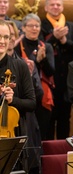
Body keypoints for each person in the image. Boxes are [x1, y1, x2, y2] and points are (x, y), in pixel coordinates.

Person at [0, 20, 36, 174]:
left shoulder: (19, 66)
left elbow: (31, 102)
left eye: (6, 37)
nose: (3, 41)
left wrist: (13, 100)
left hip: (11, 141)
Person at [40, 0, 73, 139]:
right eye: (52, 4)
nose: (56, 7)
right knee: (50, 118)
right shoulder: (41, 25)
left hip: (67, 78)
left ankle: (65, 151)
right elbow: (40, 47)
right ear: (46, 7)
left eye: (58, 4)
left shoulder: (71, 26)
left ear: (62, 7)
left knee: (65, 118)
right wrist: (53, 38)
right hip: (50, 77)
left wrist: (64, 40)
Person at [14, 13, 55, 141]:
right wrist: (35, 61)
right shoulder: (17, 45)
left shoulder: (46, 46)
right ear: (23, 28)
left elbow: (50, 72)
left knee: (41, 134)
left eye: (37, 26)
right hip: (23, 93)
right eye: (31, 26)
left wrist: (41, 60)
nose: (34, 29)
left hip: (41, 94)